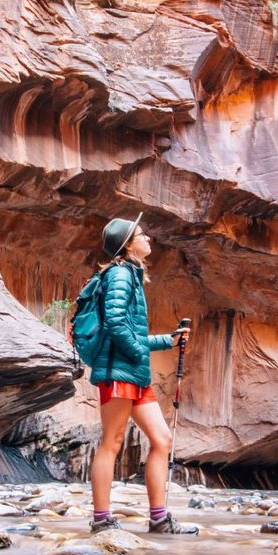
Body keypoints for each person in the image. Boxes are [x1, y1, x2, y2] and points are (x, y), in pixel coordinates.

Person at [88, 214, 198, 535]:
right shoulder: (121, 275)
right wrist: (138, 353)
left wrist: (168, 340)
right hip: (118, 371)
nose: (147, 237)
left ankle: (159, 519)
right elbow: (115, 324)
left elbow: (130, 331)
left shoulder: (131, 276)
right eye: (140, 234)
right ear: (127, 245)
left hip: (133, 374)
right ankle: (101, 519)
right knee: (112, 441)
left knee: (161, 440)